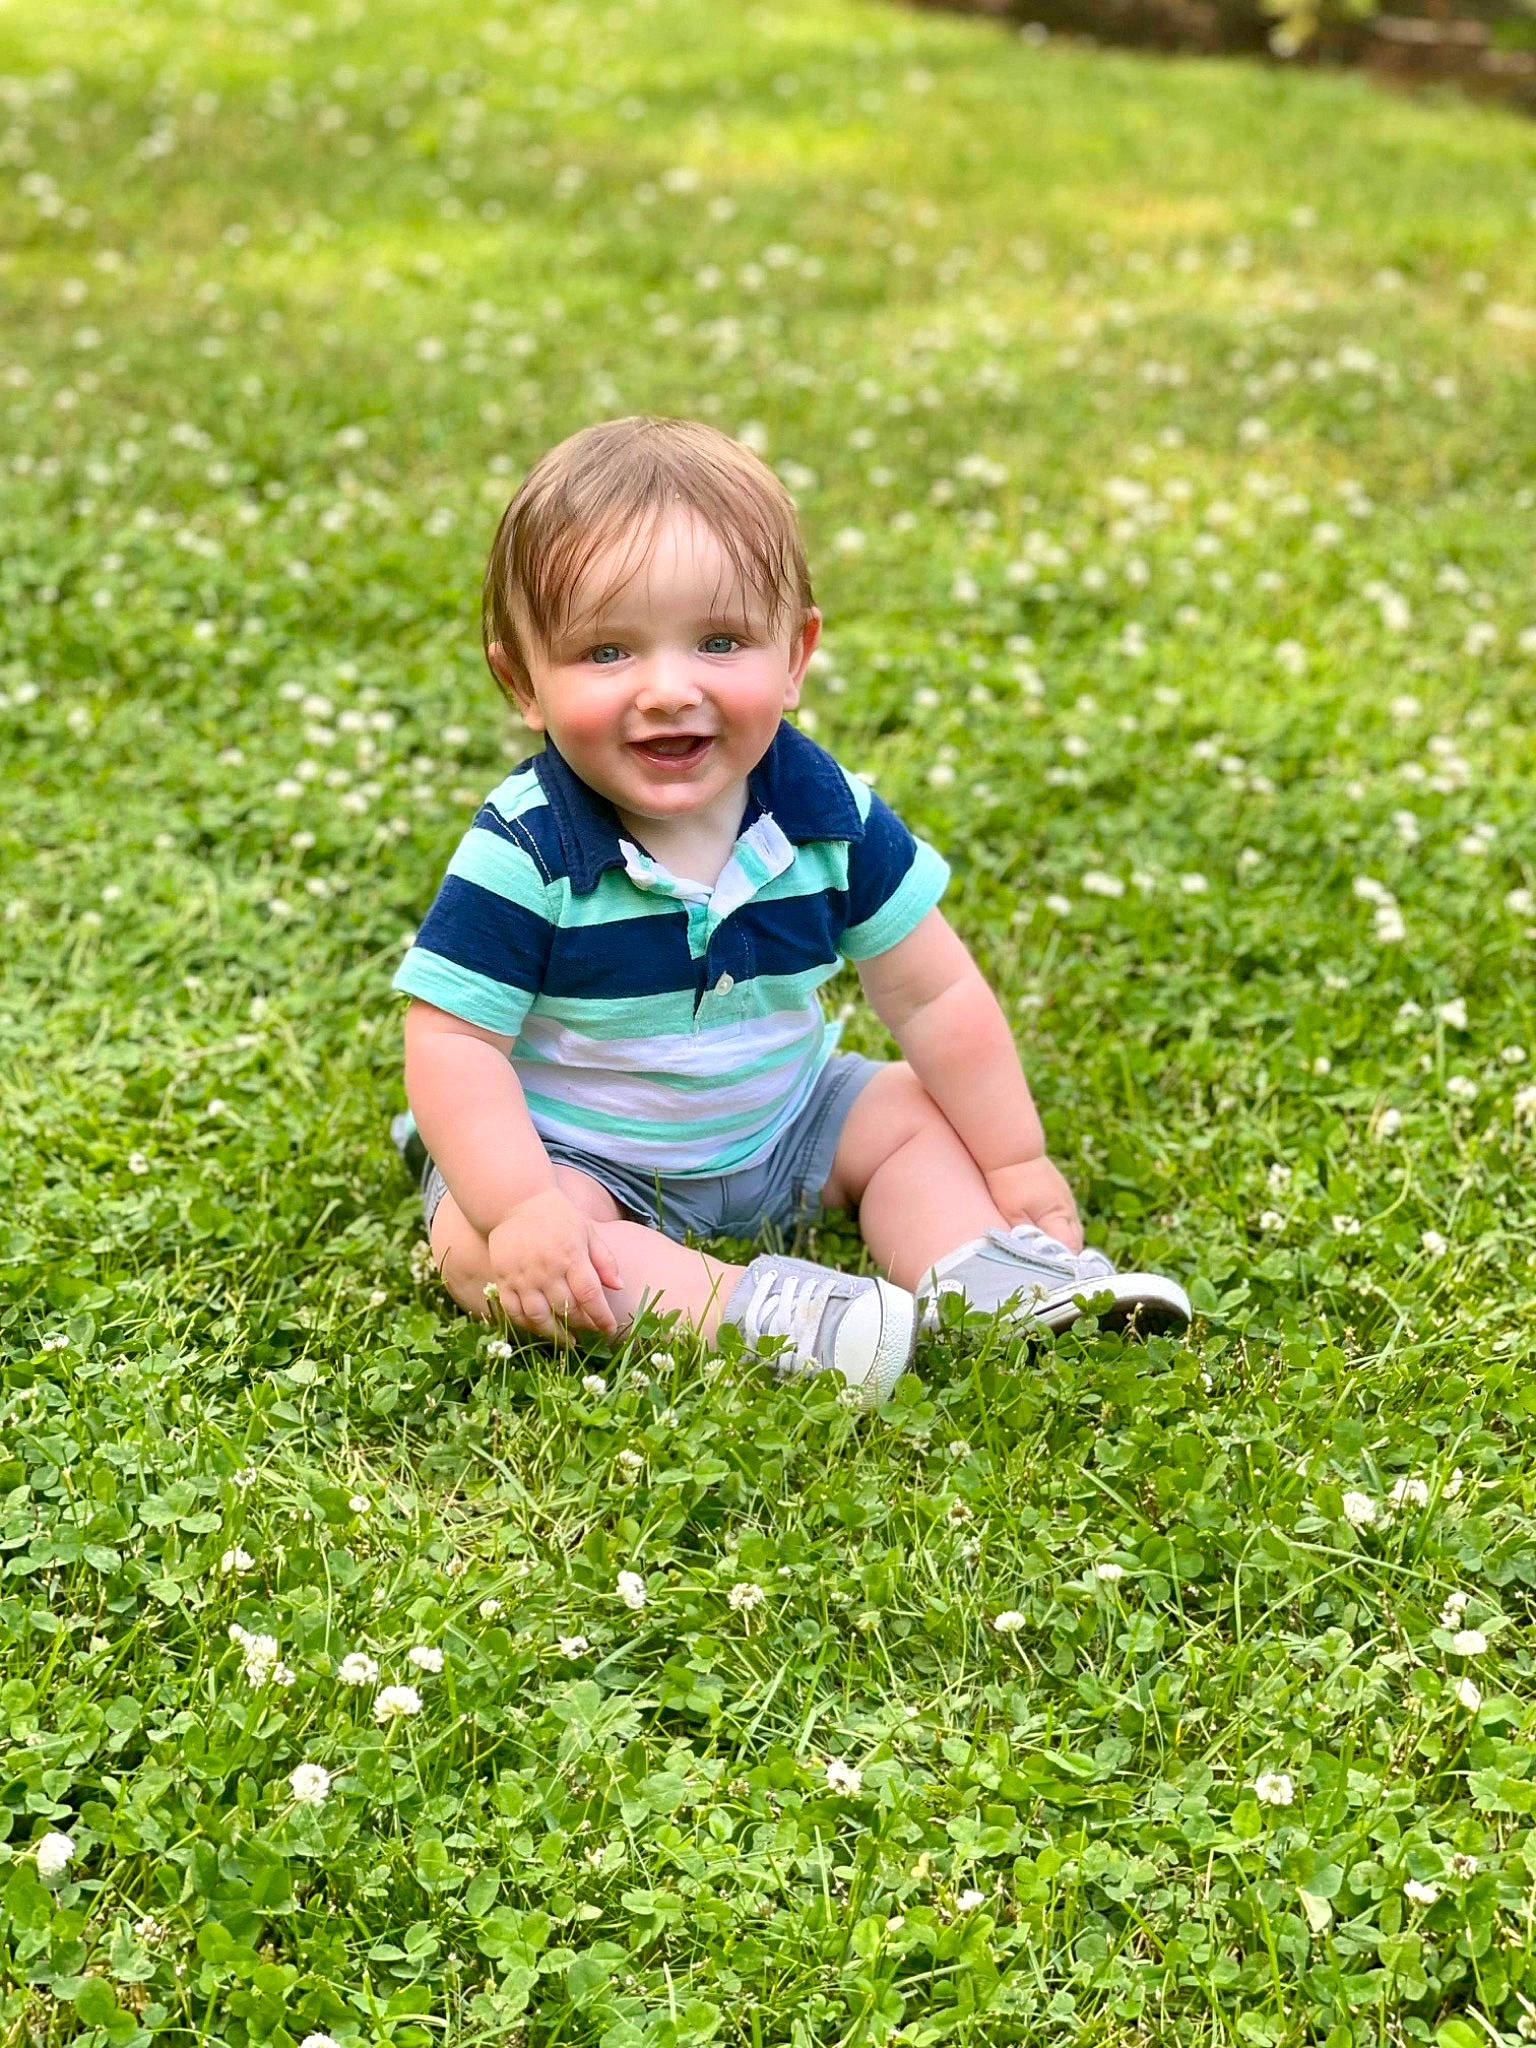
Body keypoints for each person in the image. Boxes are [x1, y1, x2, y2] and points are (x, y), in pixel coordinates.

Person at [390, 416, 1189, 1405]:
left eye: (720, 640)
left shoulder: (830, 818)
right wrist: (518, 1206)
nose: (667, 689)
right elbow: (453, 1040)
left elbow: (936, 994)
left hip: (789, 1115)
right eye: (606, 652)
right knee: (479, 1245)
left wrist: (1016, 1161)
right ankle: (757, 1315)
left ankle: (980, 1273)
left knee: (902, 1111)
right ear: (524, 681)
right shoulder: (527, 847)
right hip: (580, 1149)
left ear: (797, 652)